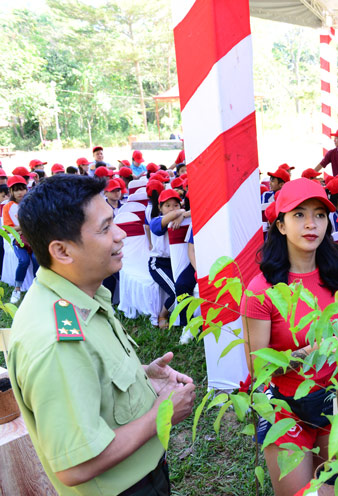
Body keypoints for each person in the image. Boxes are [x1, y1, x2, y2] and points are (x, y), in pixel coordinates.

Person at [7, 174, 195, 495]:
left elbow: (92, 382)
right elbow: (75, 465)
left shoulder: (81, 295)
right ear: (63, 251)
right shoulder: (55, 340)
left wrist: (143, 379)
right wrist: (161, 414)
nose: (121, 235)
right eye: (106, 228)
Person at [241, 178, 338, 496]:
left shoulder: (337, 276)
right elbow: (258, 368)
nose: (311, 224)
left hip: (333, 405)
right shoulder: (261, 290)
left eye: (319, 215)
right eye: (299, 215)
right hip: (285, 408)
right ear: (280, 224)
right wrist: (308, 354)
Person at [148, 189, 190, 329]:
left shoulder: (183, 218)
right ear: (160, 208)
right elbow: (165, 222)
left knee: (183, 287)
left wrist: (182, 216)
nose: (172, 208)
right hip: (159, 264)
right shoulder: (156, 220)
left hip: (177, 262)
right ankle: (163, 315)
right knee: (177, 291)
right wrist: (180, 213)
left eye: (175, 205)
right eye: (167, 205)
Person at [4, 176, 39, 304]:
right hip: (19, 240)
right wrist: (23, 227)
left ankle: (38, 287)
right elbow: (8, 229)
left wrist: (22, 227)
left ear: (27, 189)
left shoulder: (32, 204)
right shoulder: (8, 207)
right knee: (23, 261)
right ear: (11, 191)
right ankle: (17, 289)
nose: (20, 192)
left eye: (22, 189)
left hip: (34, 239)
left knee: (36, 259)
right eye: (16, 190)